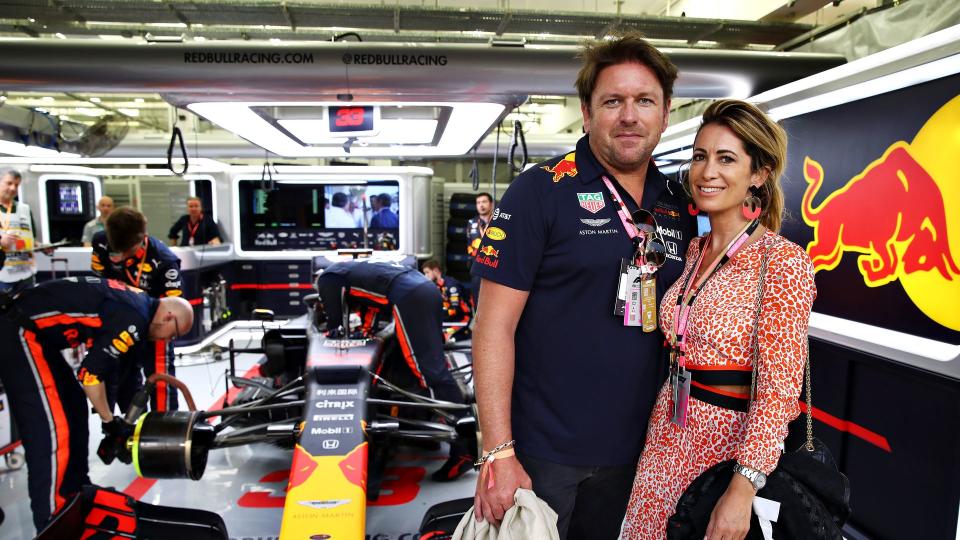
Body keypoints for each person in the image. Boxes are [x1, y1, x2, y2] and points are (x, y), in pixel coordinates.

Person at [470, 32, 696, 539]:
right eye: (613, 101)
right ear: (587, 111)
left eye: (645, 101)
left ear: (666, 112)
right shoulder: (540, 190)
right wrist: (497, 451)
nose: (629, 116)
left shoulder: (678, 202)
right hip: (540, 454)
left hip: (642, 452)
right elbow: (491, 328)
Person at [620, 100, 817, 539]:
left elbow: (778, 390)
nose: (707, 171)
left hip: (725, 451)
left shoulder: (782, 262)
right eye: (700, 156)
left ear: (759, 174)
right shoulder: (694, 251)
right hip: (667, 435)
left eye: (726, 158)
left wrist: (743, 488)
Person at [0, 276, 193, 532]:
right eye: (175, 333)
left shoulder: (139, 304)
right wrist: (109, 421)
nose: (168, 340)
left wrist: (113, 420)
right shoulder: (134, 318)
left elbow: (111, 370)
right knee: (54, 427)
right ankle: (54, 520)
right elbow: (90, 376)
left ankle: (76, 492)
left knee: (75, 407)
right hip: (20, 332)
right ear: (169, 316)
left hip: (34, 334)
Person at [315, 259, 475, 481]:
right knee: (430, 368)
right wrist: (366, 333)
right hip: (424, 290)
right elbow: (373, 307)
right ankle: (435, 434)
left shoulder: (327, 278)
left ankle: (464, 447)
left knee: (428, 371)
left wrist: (334, 329)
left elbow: (335, 329)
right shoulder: (358, 272)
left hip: (409, 297)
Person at [92, 207, 183, 412]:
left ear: (141, 238)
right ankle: (129, 424)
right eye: (116, 251)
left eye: (126, 251)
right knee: (121, 377)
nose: (120, 257)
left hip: (155, 324)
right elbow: (97, 282)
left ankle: (163, 424)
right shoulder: (100, 242)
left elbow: (173, 309)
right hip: (119, 321)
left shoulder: (164, 261)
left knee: (160, 377)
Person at [0, 169, 39, 294]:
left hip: (26, 273)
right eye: (9, 183)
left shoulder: (25, 209)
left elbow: (32, 239)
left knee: (29, 311)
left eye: (16, 185)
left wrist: (43, 247)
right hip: (3, 274)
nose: (12, 188)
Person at [421, 258, 472, 341]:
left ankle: (463, 334)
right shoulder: (436, 286)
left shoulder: (451, 285)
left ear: (435, 270)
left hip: (461, 320)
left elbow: (455, 310)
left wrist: (438, 315)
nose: (425, 276)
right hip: (449, 320)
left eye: (427, 272)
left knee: (442, 338)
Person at [465, 192, 493, 306]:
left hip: (494, 264)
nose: (481, 205)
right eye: (478, 202)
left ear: (491, 204)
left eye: (484, 202)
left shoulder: (498, 221)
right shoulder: (471, 223)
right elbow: (469, 244)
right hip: (476, 265)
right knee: (477, 298)